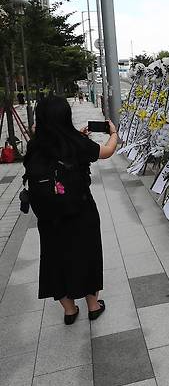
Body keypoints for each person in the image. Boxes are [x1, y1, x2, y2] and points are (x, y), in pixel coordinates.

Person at [23, 95, 118, 325]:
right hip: (80, 210)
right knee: (87, 252)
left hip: (48, 216)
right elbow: (106, 152)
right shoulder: (75, 142)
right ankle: (93, 306)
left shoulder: (35, 144)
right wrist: (113, 134)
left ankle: (69, 311)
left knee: (54, 258)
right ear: (66, 116)